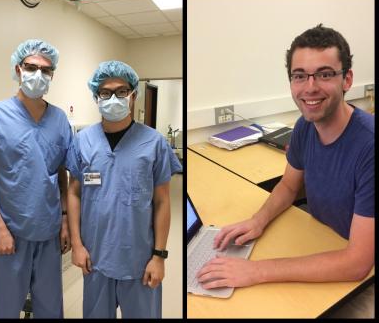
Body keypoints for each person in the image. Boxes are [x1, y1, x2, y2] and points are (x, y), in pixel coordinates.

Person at [197, 25, 374, 310]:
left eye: (325, 74)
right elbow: (289, 185)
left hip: (359, 280)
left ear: (347, 79)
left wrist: (256, 271)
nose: (310, 87)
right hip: (320, 242)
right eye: (299, 76)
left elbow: (357, 263)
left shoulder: (369, 146)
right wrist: (258, 220)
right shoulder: (305, 126)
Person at [66, 60, 182, 318]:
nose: (113, 98)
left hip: (140, 260)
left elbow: (163, 202)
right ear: (96, 96)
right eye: (105, 93)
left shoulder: (154, 143)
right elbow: (73, 193)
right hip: (95, 258)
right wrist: (77, 244)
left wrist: (159, 256)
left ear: (133, 95)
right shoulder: (83, 142)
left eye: (121, 91)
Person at [0, 39, 72, 318]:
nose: (38, 75)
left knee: (51, 308)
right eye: (31, 67)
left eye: (46, 70)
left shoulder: (60, 120)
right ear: (18, 68)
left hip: (48, 230)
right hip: (9, 230)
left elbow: (60, 172)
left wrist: (64, 219)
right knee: (4, 309)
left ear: (52, 76)